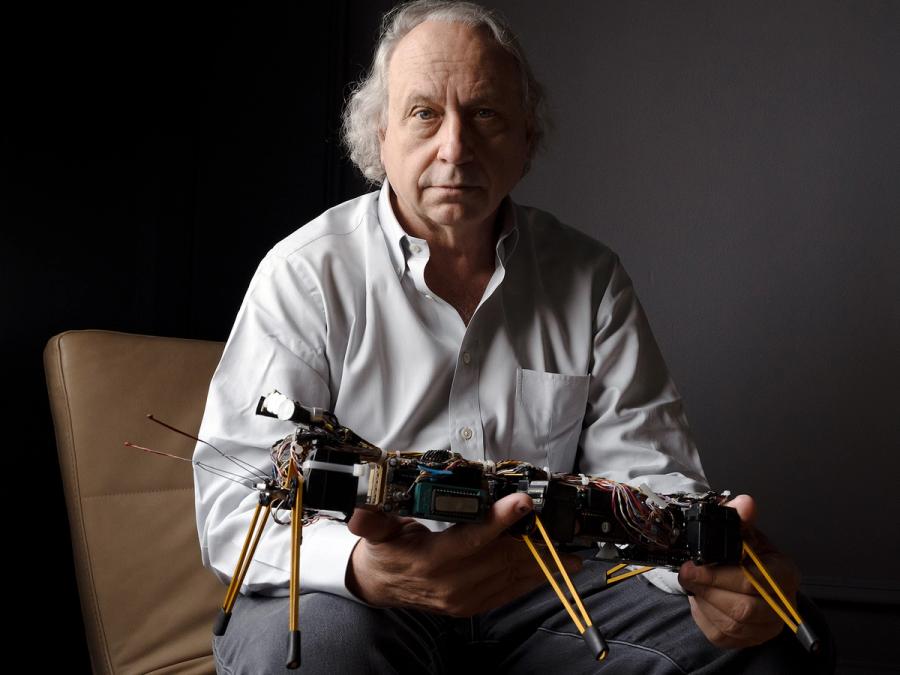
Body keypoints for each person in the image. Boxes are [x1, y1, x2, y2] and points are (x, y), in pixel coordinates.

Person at [195, 2, 830, 672]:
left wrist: (708, 577)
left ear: (527, 139)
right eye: (424, 113)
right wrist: (362, 564)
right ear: (379, 136)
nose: (456, 146)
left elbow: (646, 480)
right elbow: (234, 498)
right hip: (359, 596)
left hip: (543, 595)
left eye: (486, 114)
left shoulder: (589, 277)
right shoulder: (304, 272)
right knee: (313, 658)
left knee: (773, 644)